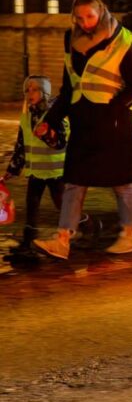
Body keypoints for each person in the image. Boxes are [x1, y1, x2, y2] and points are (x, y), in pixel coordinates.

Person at [33, 0, 132, 260]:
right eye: (79, 18)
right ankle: (63, 240)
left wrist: (113, 110)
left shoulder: (122, 40)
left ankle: (130, 236)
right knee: (74, 181)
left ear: (102, 12)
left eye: (90, 16)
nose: (85, 23)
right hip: (83, 124)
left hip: (114, 125)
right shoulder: (70, 41)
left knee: (122, 183)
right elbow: (68, 87)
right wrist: (49, 119)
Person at [2, 76, 69, 262]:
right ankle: (28, 243)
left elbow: (61, 142)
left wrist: (47, 134)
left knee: (63, 207)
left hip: (56, 173)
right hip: (36, 172)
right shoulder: (27, 115)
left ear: (44, 92)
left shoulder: (54, 113)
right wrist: (13, 169)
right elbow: (21, 145)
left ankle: (89, 226)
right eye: (27, 90)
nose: (29, 94)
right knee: (32, 206)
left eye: (34, 90)